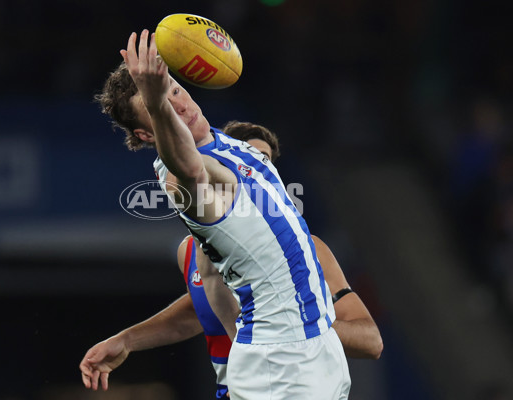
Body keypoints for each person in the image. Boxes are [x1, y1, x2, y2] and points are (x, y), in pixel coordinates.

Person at [85, 30, 350, 399]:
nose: (177, 104)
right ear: (148, 134)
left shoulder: (231, 144)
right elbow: (191, 167)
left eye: (174, 90)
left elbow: (209, 277)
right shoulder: (180, 179)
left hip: (315, 349)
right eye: (160, 104)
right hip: (282, 363)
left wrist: (237, 348)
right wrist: (158, 100)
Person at [79, 123, 383, 398]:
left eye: (267, 164)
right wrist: (127, 340)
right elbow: (197, 311)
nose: (261, 176)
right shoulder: (191, 251)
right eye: (251, 163)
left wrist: (302, 318)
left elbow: (371, 341)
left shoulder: (309, 251)